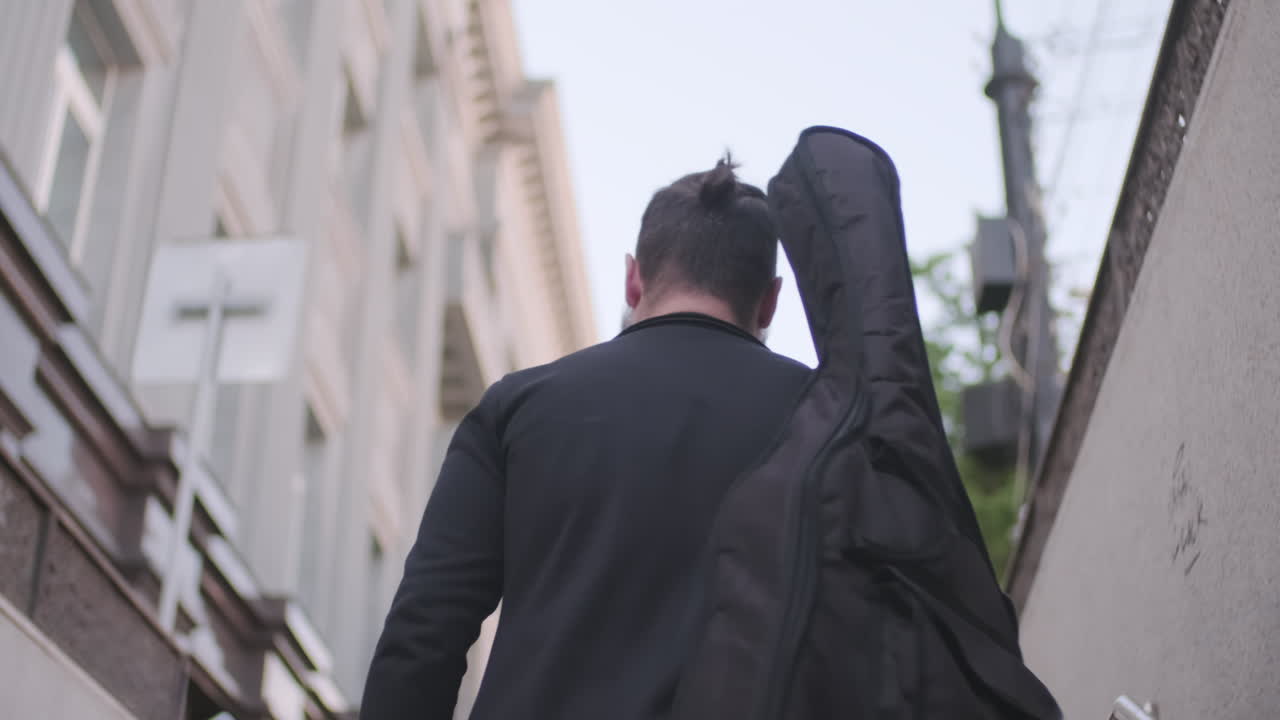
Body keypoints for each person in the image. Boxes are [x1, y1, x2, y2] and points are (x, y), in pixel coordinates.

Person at [361, 155, 810, 719]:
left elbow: (424, 632)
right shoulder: (823, 421)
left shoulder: (518, 408)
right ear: (770, 299)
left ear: (633, 278)